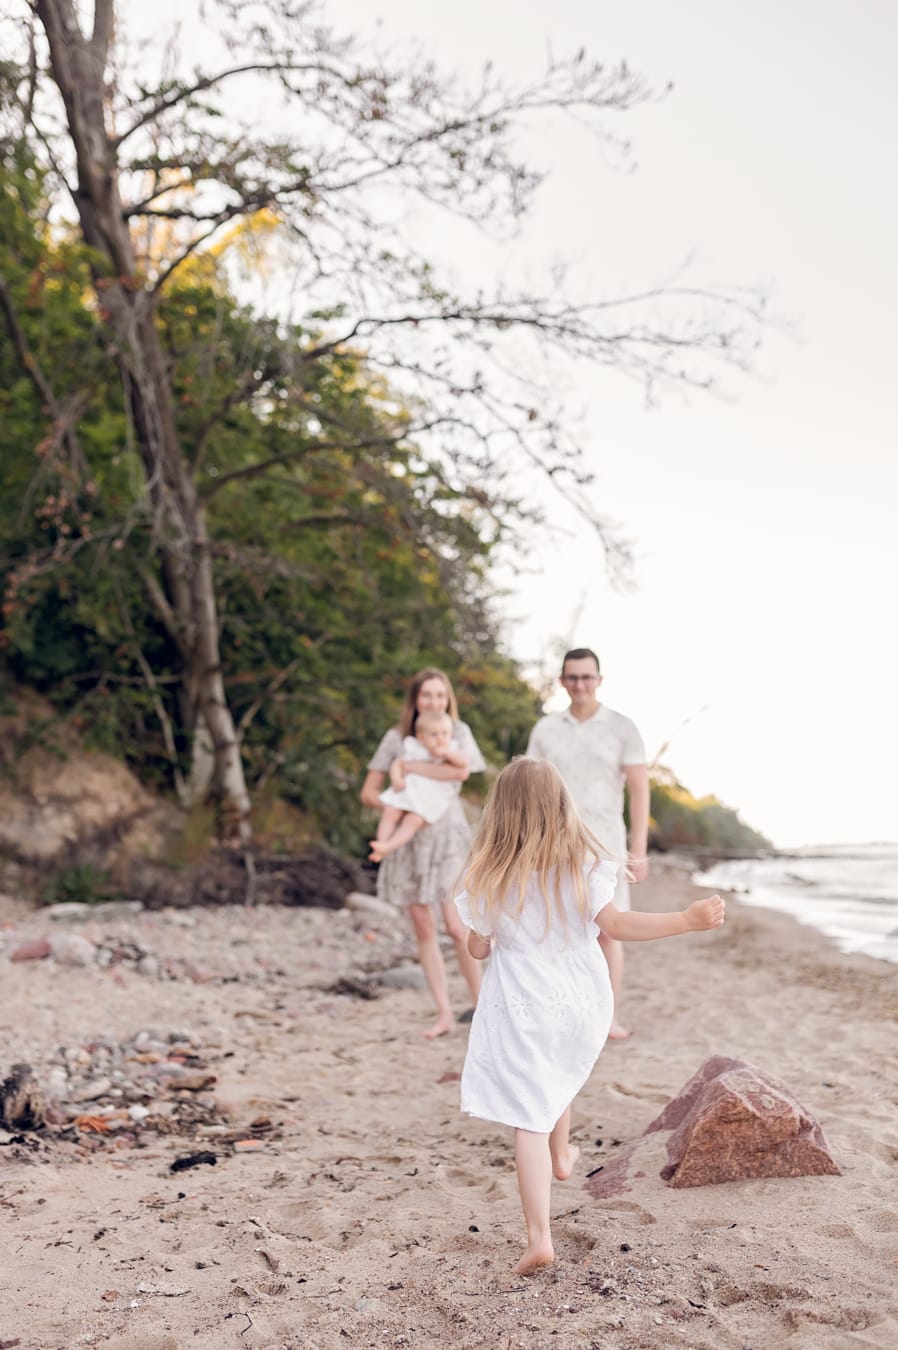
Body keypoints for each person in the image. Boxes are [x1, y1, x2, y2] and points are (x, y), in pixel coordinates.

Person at [454, 757, 725, 1275]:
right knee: (557, 1076)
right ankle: (562, 1160)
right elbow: (618, 925)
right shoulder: (582, 864)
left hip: (522, 1003)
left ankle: (539, 1237)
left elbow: (478, 948)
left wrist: (481, 934)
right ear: (561, 805)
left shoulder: (490, 874)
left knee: (527, 1115)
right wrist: (685, 920)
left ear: (501, 814)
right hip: (578, 999)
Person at [527, 647, 649, 1039]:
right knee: (555, 927)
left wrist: (639, 848)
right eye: (573, 677)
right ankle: (560, 1011)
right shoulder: (545, 730)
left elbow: (639, 788)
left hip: (606, 842)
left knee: (610, 931)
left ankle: (607, 1018)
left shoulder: (622, 727)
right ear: (562, 681)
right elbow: (529, 786)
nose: (580, 684)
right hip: (553, 842)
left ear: (599, 680)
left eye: (587, 677)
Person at [360, 667, 486, 1038]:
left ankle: (482, 1005)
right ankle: (444, 1013)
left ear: (449, 700)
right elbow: (370, 790)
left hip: (447, 837)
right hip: (409, 840)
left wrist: (414, 769)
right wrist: (396, 803)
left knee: (455, 923)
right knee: (423, 925)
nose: (434, 701)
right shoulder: (396, 738)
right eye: (427, 695)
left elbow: (461, 774)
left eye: (440, 695)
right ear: (414, 699)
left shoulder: (457, 733)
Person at [369, 710, 468, 862]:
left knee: (413, 821)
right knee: (390, 811)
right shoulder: (414, 747)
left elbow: (463, 765)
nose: (440, 738)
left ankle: (390, 846)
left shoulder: (452, 749)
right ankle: (381, 845)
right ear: (421, 738)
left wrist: (446, 753)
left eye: (445, 733)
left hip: (429, 796)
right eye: (434, 735)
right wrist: (396, 779)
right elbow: (398, 763)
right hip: (407, 791)